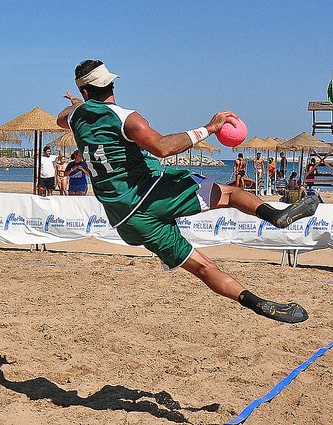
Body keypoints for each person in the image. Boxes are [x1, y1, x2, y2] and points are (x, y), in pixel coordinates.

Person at [57, 59, 319, 324]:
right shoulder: (127, 118)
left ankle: (257, 303)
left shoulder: (76, 117)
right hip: (151, 194)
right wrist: (210, 128)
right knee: (229, 194)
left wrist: (78, 104)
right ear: (112, 83)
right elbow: (162, 148)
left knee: (204, 268)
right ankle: (276, 216)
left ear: (85, 92)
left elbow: (61, 118)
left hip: (127, 221)